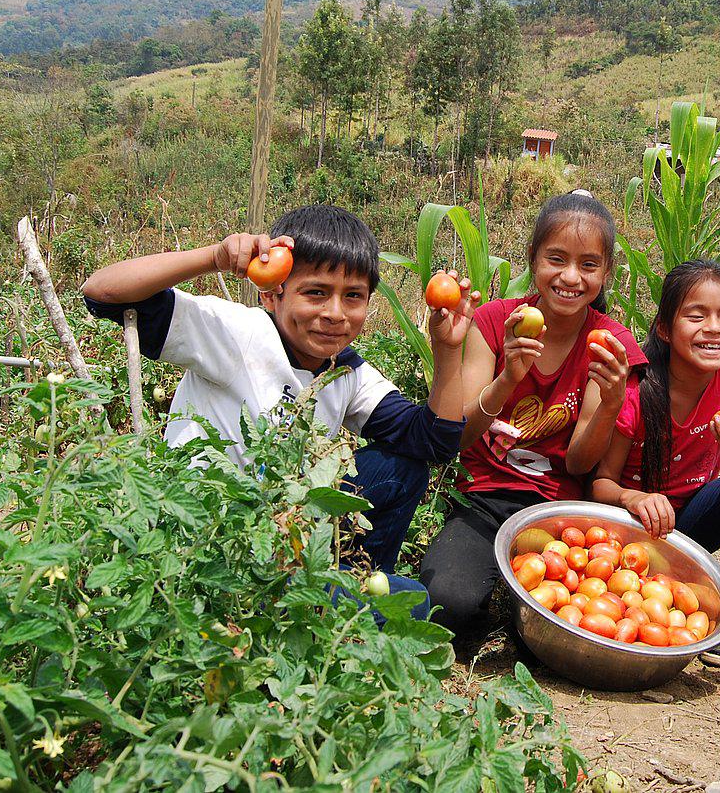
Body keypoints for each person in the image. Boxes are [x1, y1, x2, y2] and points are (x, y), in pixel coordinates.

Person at [80, 204, 477, 582]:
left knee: (402, 469)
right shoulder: (238, 334)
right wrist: (213, 257)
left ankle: (357, 584)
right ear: (271, 294)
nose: (336, 313)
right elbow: (103, 292)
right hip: (208, 533)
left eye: (352, 296)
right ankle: (341, 604)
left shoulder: (346, 372)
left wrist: (446, 351)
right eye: (316, 293)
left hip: (281, 530)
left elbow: (433, 442)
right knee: (412, 602)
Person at [419, 191, 647, 635]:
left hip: (561, 513)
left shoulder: (610, 344)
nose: (569, 277)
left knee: (558, 632)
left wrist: (613, 403)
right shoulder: (493, 321)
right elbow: (459, 438)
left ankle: (517, 606)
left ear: (606, 273)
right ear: (533, 260)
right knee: (448, 605)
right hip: (483, 498)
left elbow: (580, 463)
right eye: (556, 259)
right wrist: (508, 378)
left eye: (588, 265)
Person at [591, 259, 720, 666]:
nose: (714, 328)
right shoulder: (638, 391)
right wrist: (634, 497)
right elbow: (600, 483)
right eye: (697, 316)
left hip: (688, 527)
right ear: (664, 328)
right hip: (631, 531)